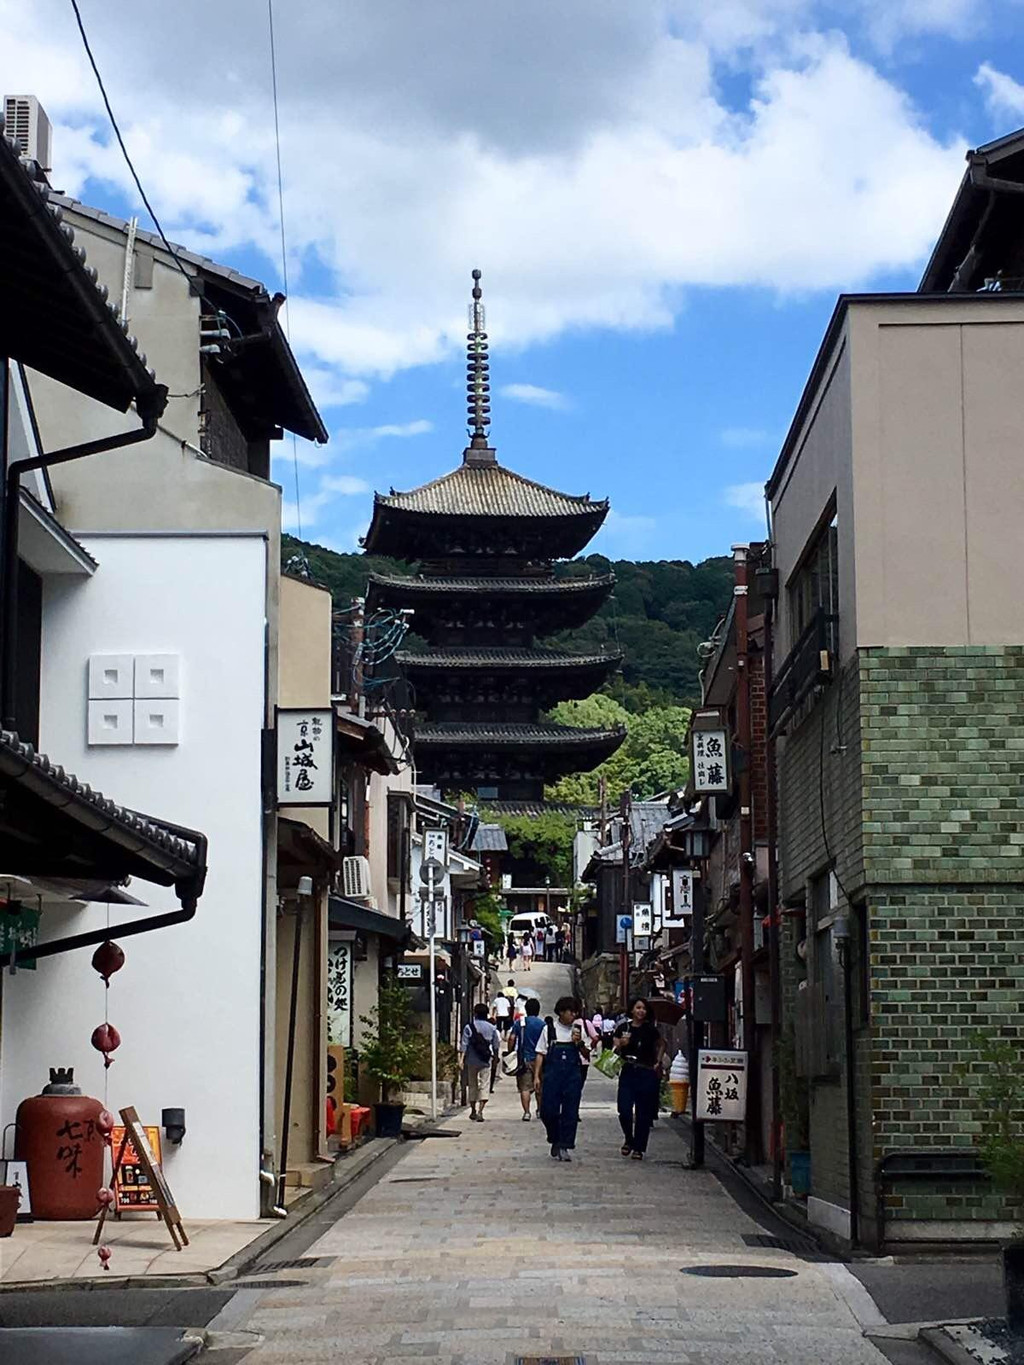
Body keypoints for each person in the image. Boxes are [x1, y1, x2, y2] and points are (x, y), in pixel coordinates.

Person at [534, 995, 590, 1161]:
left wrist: (579, 1043)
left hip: (572, 1075)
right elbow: (540, 1053)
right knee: (547, 1111)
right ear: (560, 1012)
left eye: (575, 1012)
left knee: (570, 1112)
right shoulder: (549, 1030)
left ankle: (565, 1145)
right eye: (570, 1012)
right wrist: (537, 1076)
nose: (573, 1015)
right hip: (552, 1075)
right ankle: (554, 1137)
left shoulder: (578, 1030)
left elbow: (587, 1055)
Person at [613, 997, 665, 1160]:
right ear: (632, 1010)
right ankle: (629, 1138)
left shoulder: (651, 1029)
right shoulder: (623, 1027)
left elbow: (662, 1043)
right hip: (628, 1070)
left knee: (643, 1113)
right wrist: (621, 1043)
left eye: (643, 1008)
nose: (641, 1011)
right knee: (624, 1109)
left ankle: (639, 1148)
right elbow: (613, 1050)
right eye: (638, 1008)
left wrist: (658, 1060)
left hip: (646, 1071)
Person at [460, 1002, 499, 1121]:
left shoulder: (469, 1027)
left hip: (472, 1060)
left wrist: (461, 1060)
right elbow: (496, 1045)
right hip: (485, 1059)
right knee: (484, 1085)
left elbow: (464, 1045)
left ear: (475, 1013)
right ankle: (481, 1111)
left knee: (472, 1084)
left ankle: (472, 1110)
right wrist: (496, 1058)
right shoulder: (491, 1028)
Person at [509, 997, 545, 1120]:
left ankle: (526, 1112)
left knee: (524, 1087)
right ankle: (540, 1110)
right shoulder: (542, 1024)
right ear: (538, 1010)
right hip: (540, 1059)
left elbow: (512, 1038)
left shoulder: (520, 1023)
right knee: (539, 1085)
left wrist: (510, 1051)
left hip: (524, 1058)